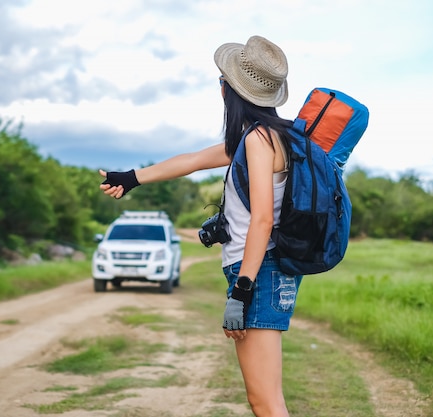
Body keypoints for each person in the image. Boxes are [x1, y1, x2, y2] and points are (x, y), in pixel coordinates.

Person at [99, 35, 302, 417]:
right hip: (266, 270)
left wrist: (242, 290)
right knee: (266, 399)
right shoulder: (265, 137)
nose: (219, 87)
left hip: (258, 272)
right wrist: (131, 177)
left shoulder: (259, 140)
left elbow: (261, 219)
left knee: (266, 401)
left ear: (231, 91)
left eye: (221, 81)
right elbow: (191, 160)